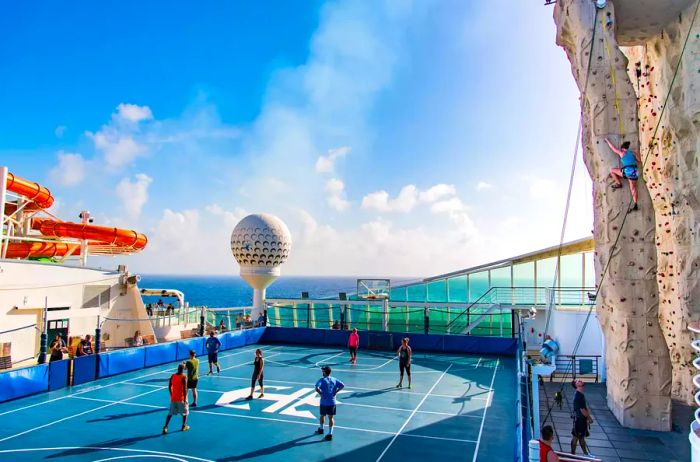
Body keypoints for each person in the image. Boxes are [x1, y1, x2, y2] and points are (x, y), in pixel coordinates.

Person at [605, 138, 641, 211]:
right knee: (633, 188)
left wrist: (607, 140)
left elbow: (613, 148)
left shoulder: (622, 153)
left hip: (628, 172)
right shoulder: (633, 153)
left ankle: (619, 183)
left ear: (622, 148)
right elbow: (639, 160)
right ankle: (635, 204)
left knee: (612, 170)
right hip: (635, 172)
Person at [315, 366, 344, 441]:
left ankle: (321, 429)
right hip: (332, 402)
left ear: (325, 372)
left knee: (322, 415)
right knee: (331, 418)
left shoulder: (322, 380)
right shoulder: (334, 379)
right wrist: (336, 392)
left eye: (323, 371)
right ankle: (330, 433)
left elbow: (316, 388)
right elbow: (342, 385)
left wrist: (321, 394)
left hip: (324, 402)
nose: (322, 372)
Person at [163, 363, 189, 434]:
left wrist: (171, 395)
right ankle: (184, 426)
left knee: (170, 414)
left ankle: (165, 427)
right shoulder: (184, 377)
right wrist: (185, 399)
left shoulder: (172, 376)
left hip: (173, 398)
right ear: (183, 369)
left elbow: (169, 386)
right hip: (181, 399)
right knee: (185, 413)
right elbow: (185, 389)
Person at [571, 380, 594, 456]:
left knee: (578, 436)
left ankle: (576, 454)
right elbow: (582, 410)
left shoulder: (580, 394)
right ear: (576, 385)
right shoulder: (579, 396)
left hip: (579, 419)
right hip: (580, 419)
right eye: (577, 381)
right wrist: (589, 418)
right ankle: (584, 454)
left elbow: (584, 408)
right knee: (578, 437)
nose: (579, 380)